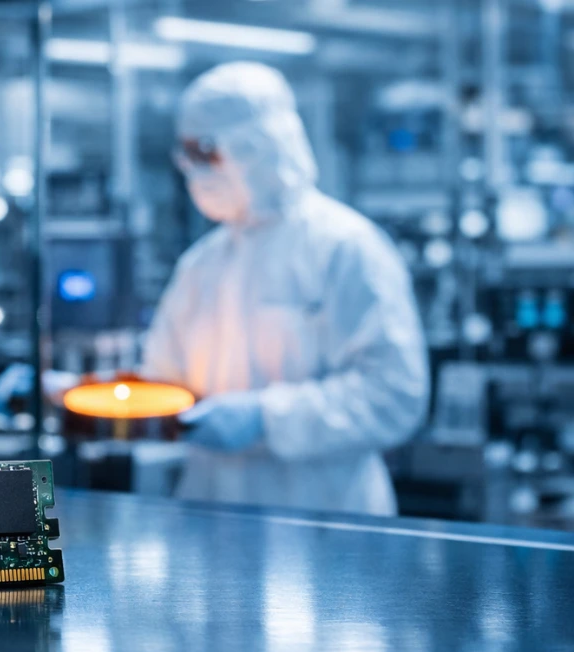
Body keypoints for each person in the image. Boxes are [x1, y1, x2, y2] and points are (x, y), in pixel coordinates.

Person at [143, 62, 428, 516]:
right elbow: (161, 382)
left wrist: (266, 419)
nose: (195, 171)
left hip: (328, 526)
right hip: (213, 522)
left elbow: (393, 396)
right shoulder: (202, 264)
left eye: (207, 154)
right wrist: (86, 393)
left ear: (258, 149)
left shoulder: (346, 247)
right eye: (188, 157)